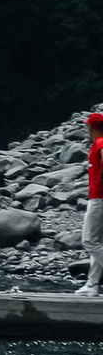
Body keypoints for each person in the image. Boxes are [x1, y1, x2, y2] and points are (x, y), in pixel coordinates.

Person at [79, 110, 103, 296]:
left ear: (92, 127)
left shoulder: (100, 142)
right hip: (98, 198)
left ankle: (92, 284)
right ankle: (92, 284)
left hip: (98, 199)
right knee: (98, 242)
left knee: (89, 241)